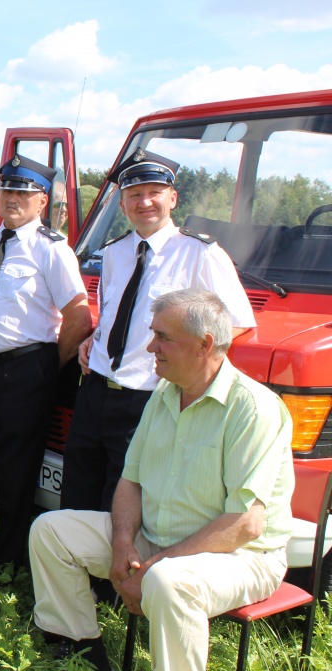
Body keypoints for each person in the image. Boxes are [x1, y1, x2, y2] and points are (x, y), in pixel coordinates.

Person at [29, 288, 292, 671]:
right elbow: (130, 481)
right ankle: (86, 659)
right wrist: (122, 544)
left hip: (239, 557)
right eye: (153, 334)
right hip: (159, 541)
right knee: (51, 530)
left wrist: (152, 567)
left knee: (168, 582)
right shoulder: (166, 394)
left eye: (163, 337)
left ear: (205, 344)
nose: (151, 346)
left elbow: (246, 525)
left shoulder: (253, 409)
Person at [60, 149, 256, 512]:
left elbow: (237, 323)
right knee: (78, 488)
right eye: (134, 194)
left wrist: (186, 372)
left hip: (150, 397)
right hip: (96, 388)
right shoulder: (116, 252)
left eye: (154, 192)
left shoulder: (201, 254)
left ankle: (114, 571)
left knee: (124, 500)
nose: (144, 202)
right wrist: (94, 338)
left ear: (173, 198)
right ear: (122, 204)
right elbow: (115, 314)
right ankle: (72, 566)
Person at [0, 155, 91, 578]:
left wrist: (49, 365)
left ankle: (7, 556)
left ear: (41, 200)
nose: (12, 199)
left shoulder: (51, 248)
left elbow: (80, 316)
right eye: (7, 191)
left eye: (23, 193)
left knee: (15, 469)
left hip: (27, 370)